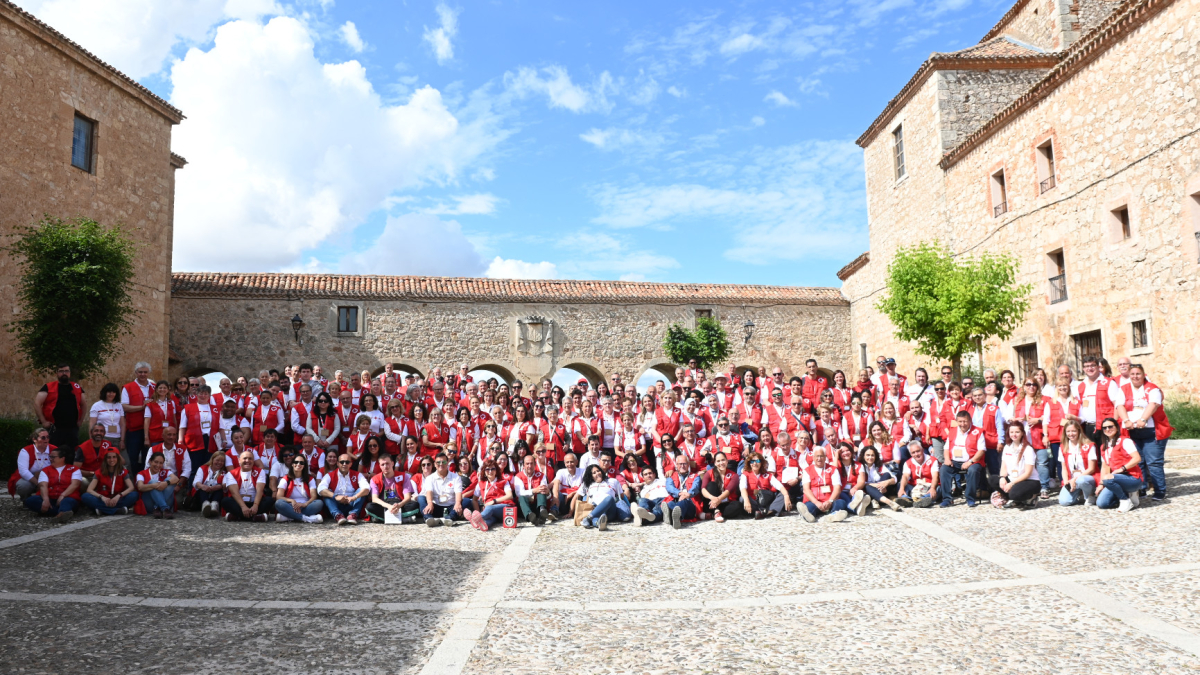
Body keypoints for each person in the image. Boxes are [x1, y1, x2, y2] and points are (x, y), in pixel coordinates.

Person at [1113, 364, 1172, 501]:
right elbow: (1119, 405)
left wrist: (1143, 419)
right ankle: (1141, 489)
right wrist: (1126, 420)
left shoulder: (1152, 388)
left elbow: (1153, 404)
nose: (1135, 376)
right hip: (1132, 431)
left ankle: (1160, 490)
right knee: (1138, 462)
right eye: (1132, 374)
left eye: (1138, 374)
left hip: (1152, 430)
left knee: (1154, 463)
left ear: (1143, 374)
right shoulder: (1124, 389)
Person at [1096, 417, 1144, 512]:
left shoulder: (1125, 441)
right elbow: (1105, 467)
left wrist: (1122, 468)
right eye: (1104, 428)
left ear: (1117, 428)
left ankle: (1125, 500)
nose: (1107, 429)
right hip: (1115, 479)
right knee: (1102, 504)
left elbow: (1137, 458)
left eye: (1110, 426)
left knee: (1107, 479)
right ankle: (1128, 495)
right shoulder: (1103, 446)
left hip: (1132, 478)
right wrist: (1101, 484)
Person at [939, 410, 987, 507]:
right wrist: (947, 459)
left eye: (965, 421)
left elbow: (981, 450)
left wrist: (970, 462)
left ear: (970, 421)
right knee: (944, 469)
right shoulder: (952, 431)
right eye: (960, 421)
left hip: (972, 461)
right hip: (955, 461)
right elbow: (946, 448)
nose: (962, 424)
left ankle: (970, 498)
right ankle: (947, 499)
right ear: (957, 421)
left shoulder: (978, 432)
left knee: (973, 470)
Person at [35, 364, 86, 452]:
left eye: (66, 371)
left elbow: (84, 405)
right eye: (61, 371)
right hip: (55, 428)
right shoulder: (48, 387)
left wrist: (80, 421)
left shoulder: (77, 388)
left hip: (72, 429)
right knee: (54, 453)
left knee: (71, 454)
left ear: (69, 373)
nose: (64, 373)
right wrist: (43, 421)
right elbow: (37, 403)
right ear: (57, 373)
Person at [989, 422, 1040, 509]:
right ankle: (1015, 498)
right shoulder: (1007, 447)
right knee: (993, 479)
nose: (1014, 434)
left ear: (1022, 433)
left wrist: (1011, 484)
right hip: (1013, 478)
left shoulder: (1028, 449)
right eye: (1011, 432)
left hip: (1028, 481)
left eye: (1017, 432)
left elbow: (1028, 473)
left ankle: (1032, 497)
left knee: (1014, 493)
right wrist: (1002, 478)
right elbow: (1004, 466)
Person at [24, 447, 81, 521]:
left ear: (62, 458)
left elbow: (74, 485)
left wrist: (63, 495)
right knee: (30, 501)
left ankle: (58, 512)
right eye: (50, 457)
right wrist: (45, 499)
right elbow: (43, 485)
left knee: (68, 502)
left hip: (67, 497)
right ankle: (61, 513)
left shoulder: (74, 469)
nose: (50, 459)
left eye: (53, 457)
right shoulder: (45, 470)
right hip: (50, 497)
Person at [120, 362, 155, 475]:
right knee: (133, 458)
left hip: (151, 429)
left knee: (148, 458)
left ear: (149, 373)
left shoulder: (154, 386)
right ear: (136, 373)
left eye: (145, 372)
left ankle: (146, 480)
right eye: (140, 372)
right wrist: (142, 407)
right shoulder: (128, 387)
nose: (143, 374)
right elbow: (124, 406)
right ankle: (134, 481)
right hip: (134, 429)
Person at [318, 453, 370, 525]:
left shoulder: (358, 474)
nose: (344, 464)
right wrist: (336, 496)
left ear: (351, 464)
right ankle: (338, 515)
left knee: (361, 491)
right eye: (342, 462)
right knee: (327, 493)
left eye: (347, 462)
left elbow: (367, 488)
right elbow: (320, 489)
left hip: (352, 502)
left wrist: (354, 497)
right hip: (336, 504)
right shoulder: (329, 475)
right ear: (338, 464)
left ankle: (353, 514)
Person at [82, 450, 137, 516]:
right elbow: (89, 490)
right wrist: (102, 497)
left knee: (134, 495)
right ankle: (117, 510)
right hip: (103, 500)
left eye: (114, 457)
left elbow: (131, 487)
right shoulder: (99, 472)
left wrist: (119, 496)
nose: (111, 460)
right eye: (109, 457)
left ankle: (103, 510)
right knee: (85, 496)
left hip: (118, 499)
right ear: (105, 459)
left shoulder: (123, 472)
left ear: (117, 458)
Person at [801, 446, 848, 523]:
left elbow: (837, 488)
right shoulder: (807, 470)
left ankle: (833, 515)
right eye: (817, 456)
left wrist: (830, 501)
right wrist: (816, 502)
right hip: (814, 502)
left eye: (821, 456)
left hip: (830, 501)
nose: (819, 459)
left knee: (841, 503)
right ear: (813, 457)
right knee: (809, 506)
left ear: (825, 457)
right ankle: (809, 515)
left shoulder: (833, 469)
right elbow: (806, 489)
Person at [1058, 420, 1099, 506]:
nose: (1071, 434)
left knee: (1081, 480)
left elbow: (1091, 469)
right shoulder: (1063, 447)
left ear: (1079, 431)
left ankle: (1090, 494)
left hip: (1087, 478)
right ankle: (1079, 494)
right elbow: (1064, 468)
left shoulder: (1089, 445)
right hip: (1072, 480)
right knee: (1064, 502)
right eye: (1068, 431)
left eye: (1073, 431)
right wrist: (1066, 482)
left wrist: (1074, 479)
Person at [465, 459, 514, 531]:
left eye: (493, 469)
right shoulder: (480, 484)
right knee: (490, 520)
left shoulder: (504, 481)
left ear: (496, 470)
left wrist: (494, 501)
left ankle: (475, 519)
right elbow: (474, 500)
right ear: (484, 472)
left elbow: (510, 496)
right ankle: (481, 523)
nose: (490, 471)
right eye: (487, 469)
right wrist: (477, 511)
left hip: (505, 508)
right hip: (490, 511)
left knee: (490, 508)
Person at [275, 453, 325, 523]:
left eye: (301, 463)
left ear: (304, 466)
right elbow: (279, 497)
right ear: (292, 464)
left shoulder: (309, 478)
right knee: (278, 503)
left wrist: (305, 504)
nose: (298, 464)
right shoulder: (286, 478)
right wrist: (292, 501)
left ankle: (289, 517)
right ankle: (306, 518)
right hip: (290, 506)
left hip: (306, 506)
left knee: (319, 503)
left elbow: (314, 496)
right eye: (296, 462)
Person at [222, 449, 268, 522]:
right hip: (239, 503)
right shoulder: (231, 474)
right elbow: (234, 493)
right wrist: (243, 507)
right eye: (245, 458)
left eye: (250, 459)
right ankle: (254, 517)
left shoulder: (260, 471)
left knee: (269, 500)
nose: (247, 461)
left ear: (253, 461)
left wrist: (255, 505)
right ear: (239, 460)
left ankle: (237, 517)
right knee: (226, 501)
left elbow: (260, 490)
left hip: (255, 502)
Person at [740, 451, 790, 519]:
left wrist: (786, 496)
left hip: (767, 503)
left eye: (757, 461)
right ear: (749, 463)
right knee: (742, 498)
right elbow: (743, 488)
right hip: (753, 502)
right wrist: (746, 500)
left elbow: (779, 485)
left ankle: (767, 512)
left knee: (783, 493)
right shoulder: (745, 475)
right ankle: (766, 512)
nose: (755, 463)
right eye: (752, 461)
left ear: (761, 462)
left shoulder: (767, 474)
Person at [419, 453, 463, 527]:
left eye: (444, 462)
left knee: (466, 502)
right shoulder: (430, 478)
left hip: (451, 506)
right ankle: (428, 518)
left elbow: (458, 492)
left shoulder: (456, 477)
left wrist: (458, 503)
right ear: (435, 464)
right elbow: (429, 492)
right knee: (421, 498)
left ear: (448, 463)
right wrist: (430, 503)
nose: (441, 464)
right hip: (435, 506)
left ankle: (450, 518)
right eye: (438, 462)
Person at [700, 452, 743, 522]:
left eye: (723, 460)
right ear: (715, 463)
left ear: (727, 461)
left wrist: (718, 500)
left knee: (737, 505)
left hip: (725, 503)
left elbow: (728, 491)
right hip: (711, 503)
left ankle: (716, 514)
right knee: (711, 485)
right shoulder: (709, 473)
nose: (721, 463)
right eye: (718, 461)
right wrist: (713, 498)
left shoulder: (734, 475)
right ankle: (716, 511)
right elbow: (703, 489)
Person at [896, 440, 939, 509]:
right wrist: (901, 489)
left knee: (938, 488)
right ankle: (906, 499)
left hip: (929, 485)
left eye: (918, 451)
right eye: (913, 452)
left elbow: (935, 476)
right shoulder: (908, 463)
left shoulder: (933, 460)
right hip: (915, 486)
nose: (916, 454)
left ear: (922, 450)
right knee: (901, 484)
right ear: (910, 454)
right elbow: (905, 476)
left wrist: (933, 488)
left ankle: (922, 500)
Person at [578, 464, 622, 530]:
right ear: (591, 476)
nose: (597, 473)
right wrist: (570, 512)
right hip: (596, 508)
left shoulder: (611, 481)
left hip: (610, 509)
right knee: (596, 517)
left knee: (609, 498)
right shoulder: (588, 484)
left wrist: (628, 507)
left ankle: (588, 518)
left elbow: (622, 496)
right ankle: (598, 524)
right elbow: (577, 495)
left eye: (598, 471)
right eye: (594, 473)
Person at [137, 451, 179, 519]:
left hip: (167, 501)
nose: (158, 465)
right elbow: (140, 487)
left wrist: (165, 483)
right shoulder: (142, 474)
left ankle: (158, 508)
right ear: (150, 461)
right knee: (153, 481)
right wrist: (155, 485)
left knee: (170, 480)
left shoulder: (165, 471)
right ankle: (165, 508)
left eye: (161, 463)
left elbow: (176, 479)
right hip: (149, 502)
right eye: (156, 462)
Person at [857, 446, 900, 512]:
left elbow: (894, 479)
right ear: (863, 456)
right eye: (868, 455)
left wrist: (887, 482)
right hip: (867, 490)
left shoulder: (879, 465)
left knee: (887, 475)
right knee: (868, 487)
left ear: (875, 456)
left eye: (872, 455)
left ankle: (876, 499)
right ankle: (889, 502)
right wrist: (873, 484)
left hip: (881, 489)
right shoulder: (859, 466)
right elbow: (860, 482)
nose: (870, 457)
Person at [514, 453, 552, 526]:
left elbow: (547, 495)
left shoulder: (541, 475)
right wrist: (534, 490)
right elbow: (519, 493)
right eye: (527, 464)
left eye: (531, 464)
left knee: (542, 490)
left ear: (535, 464)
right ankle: (530, 515)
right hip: (524, 506)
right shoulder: (518, 477)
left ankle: (542, 510)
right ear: (524, 465)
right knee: (521, 497)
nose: (529, 466)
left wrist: (548, 493)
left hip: (537, 504)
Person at [89, 383, 126, 457]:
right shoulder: (96, 405)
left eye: (113, 392)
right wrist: (91, 440)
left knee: (125, 462)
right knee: (105, 460)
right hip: (103, 438)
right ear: (104, 393)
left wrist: (122, 440)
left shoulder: (119, 405)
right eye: (109, 392)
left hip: (117, 439)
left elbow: (122, 424)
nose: (111, 394)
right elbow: (92, 424)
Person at [190, 452, 228, 517]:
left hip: (215, 494)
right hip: (203, 494)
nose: (219, 463)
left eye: (222, 461)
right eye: (217, 460)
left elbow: (225, 485)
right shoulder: (202, 468)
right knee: (201, 490)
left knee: (219, 491)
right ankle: (206, 505)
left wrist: (219, 486)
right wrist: (203, 486)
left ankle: (214, 506)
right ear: (212, 460)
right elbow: (196, 482)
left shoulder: (225, 472)